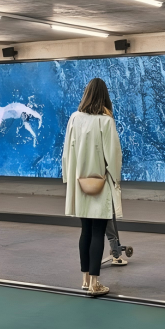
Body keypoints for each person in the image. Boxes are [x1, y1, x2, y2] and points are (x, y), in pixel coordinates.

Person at [62, 78, 123, 296]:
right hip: (100, 183)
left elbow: (67, 153)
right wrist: (115, 179)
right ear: (105, 96)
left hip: (79, 184)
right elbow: (113, 156)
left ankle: (85, 278)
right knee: (98, 232)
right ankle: (95, 283)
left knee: (85, 231)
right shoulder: (106, 121)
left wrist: (68, 178)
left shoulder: (74, 118)